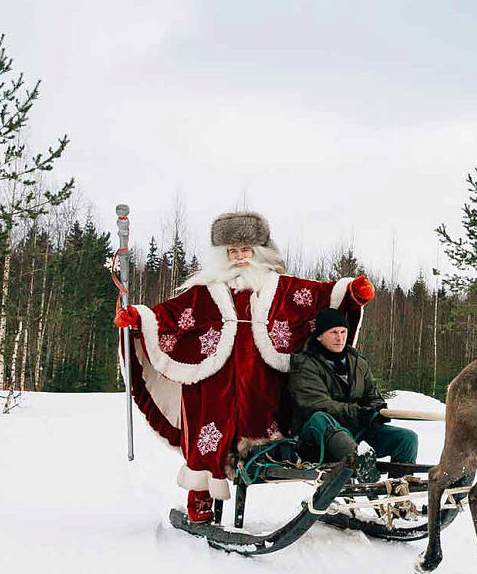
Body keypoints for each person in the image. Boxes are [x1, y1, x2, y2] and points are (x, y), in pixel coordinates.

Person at [116, 211, 375, 523]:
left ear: (258, 252)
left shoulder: (280, 287)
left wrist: (350, 292)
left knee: (269, 430)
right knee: (208, 434)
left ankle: (295, 476)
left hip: (262, 380)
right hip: (213, 379)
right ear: (223, 255)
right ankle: (199, 498)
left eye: (245, 250)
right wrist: (138, 318)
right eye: (233, 252)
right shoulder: (205, 291)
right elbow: (169, 315)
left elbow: (317, 296)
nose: (239, 257)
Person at [288, 307, 418, 465]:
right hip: (318, 435)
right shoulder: (305, 364)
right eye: (333, 332)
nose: (340, 338)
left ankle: (399, 484)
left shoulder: (358, 363)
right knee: (320, 419)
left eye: (343, 332)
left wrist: (376, 411)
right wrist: (359, 413)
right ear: (320, 336)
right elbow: (316, 404)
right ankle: (360, 464)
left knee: (407, 439)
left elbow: (373, 396)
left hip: (356, 430)